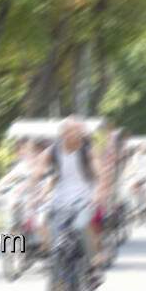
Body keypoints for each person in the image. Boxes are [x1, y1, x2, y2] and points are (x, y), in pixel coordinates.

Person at [34, 117, 104, 280]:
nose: (73, 135)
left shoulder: (87, 150)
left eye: (76, 131)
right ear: (62, 133)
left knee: (81, 226)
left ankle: (93, 266)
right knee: (50, 229)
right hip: (60, 199)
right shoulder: (52, 152)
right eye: (68, 131)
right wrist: (36, 194)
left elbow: (98, 174)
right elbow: (39, 173)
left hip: (84, 198)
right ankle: (57, 265)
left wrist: (96, 193)